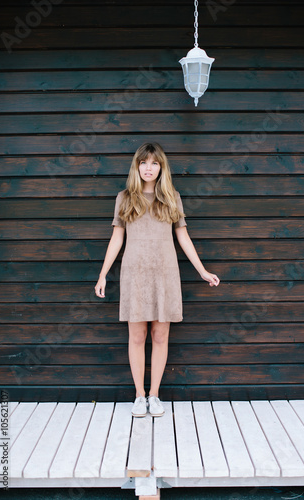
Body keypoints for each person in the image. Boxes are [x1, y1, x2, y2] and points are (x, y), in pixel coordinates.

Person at [94, 142, 220, 418]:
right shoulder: (125, 197)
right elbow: (117, 238)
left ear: (161, 167)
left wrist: (202, 270)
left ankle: (154, 395)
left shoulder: (172, 197)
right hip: (134, 274)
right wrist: (103, 274)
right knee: (137, 336)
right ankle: (139, 396)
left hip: (164, 273)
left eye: (154, 163)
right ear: (136, 167)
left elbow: (182, 236)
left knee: (160, 335)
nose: (148, 168)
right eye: (143, 163)